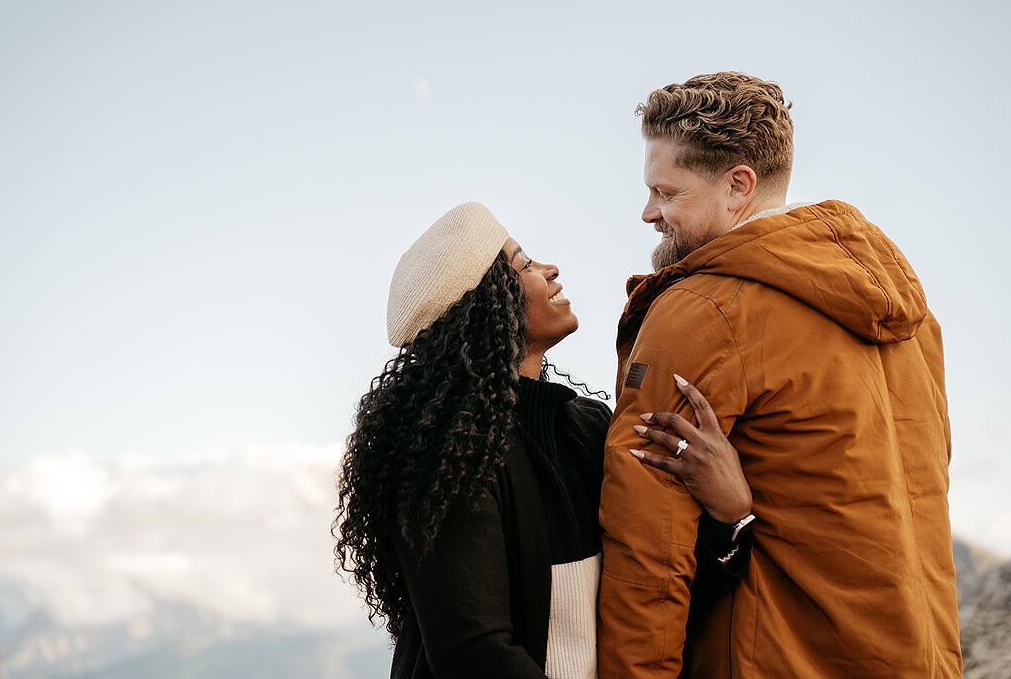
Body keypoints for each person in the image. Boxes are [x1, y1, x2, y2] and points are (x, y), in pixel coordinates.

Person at [597, 72, 961, 677]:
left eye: (666, 191)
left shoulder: (702, 311)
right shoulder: (914, 322)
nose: (648, 212)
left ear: (739, 185)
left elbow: (648, 553)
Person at [334, 202, 755, 678]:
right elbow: (476, 654)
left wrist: (730, 514)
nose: (549, 268)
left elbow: (655, 592)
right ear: (484, 305)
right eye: (524, 264)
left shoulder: (587, 427)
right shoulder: (447, 458)